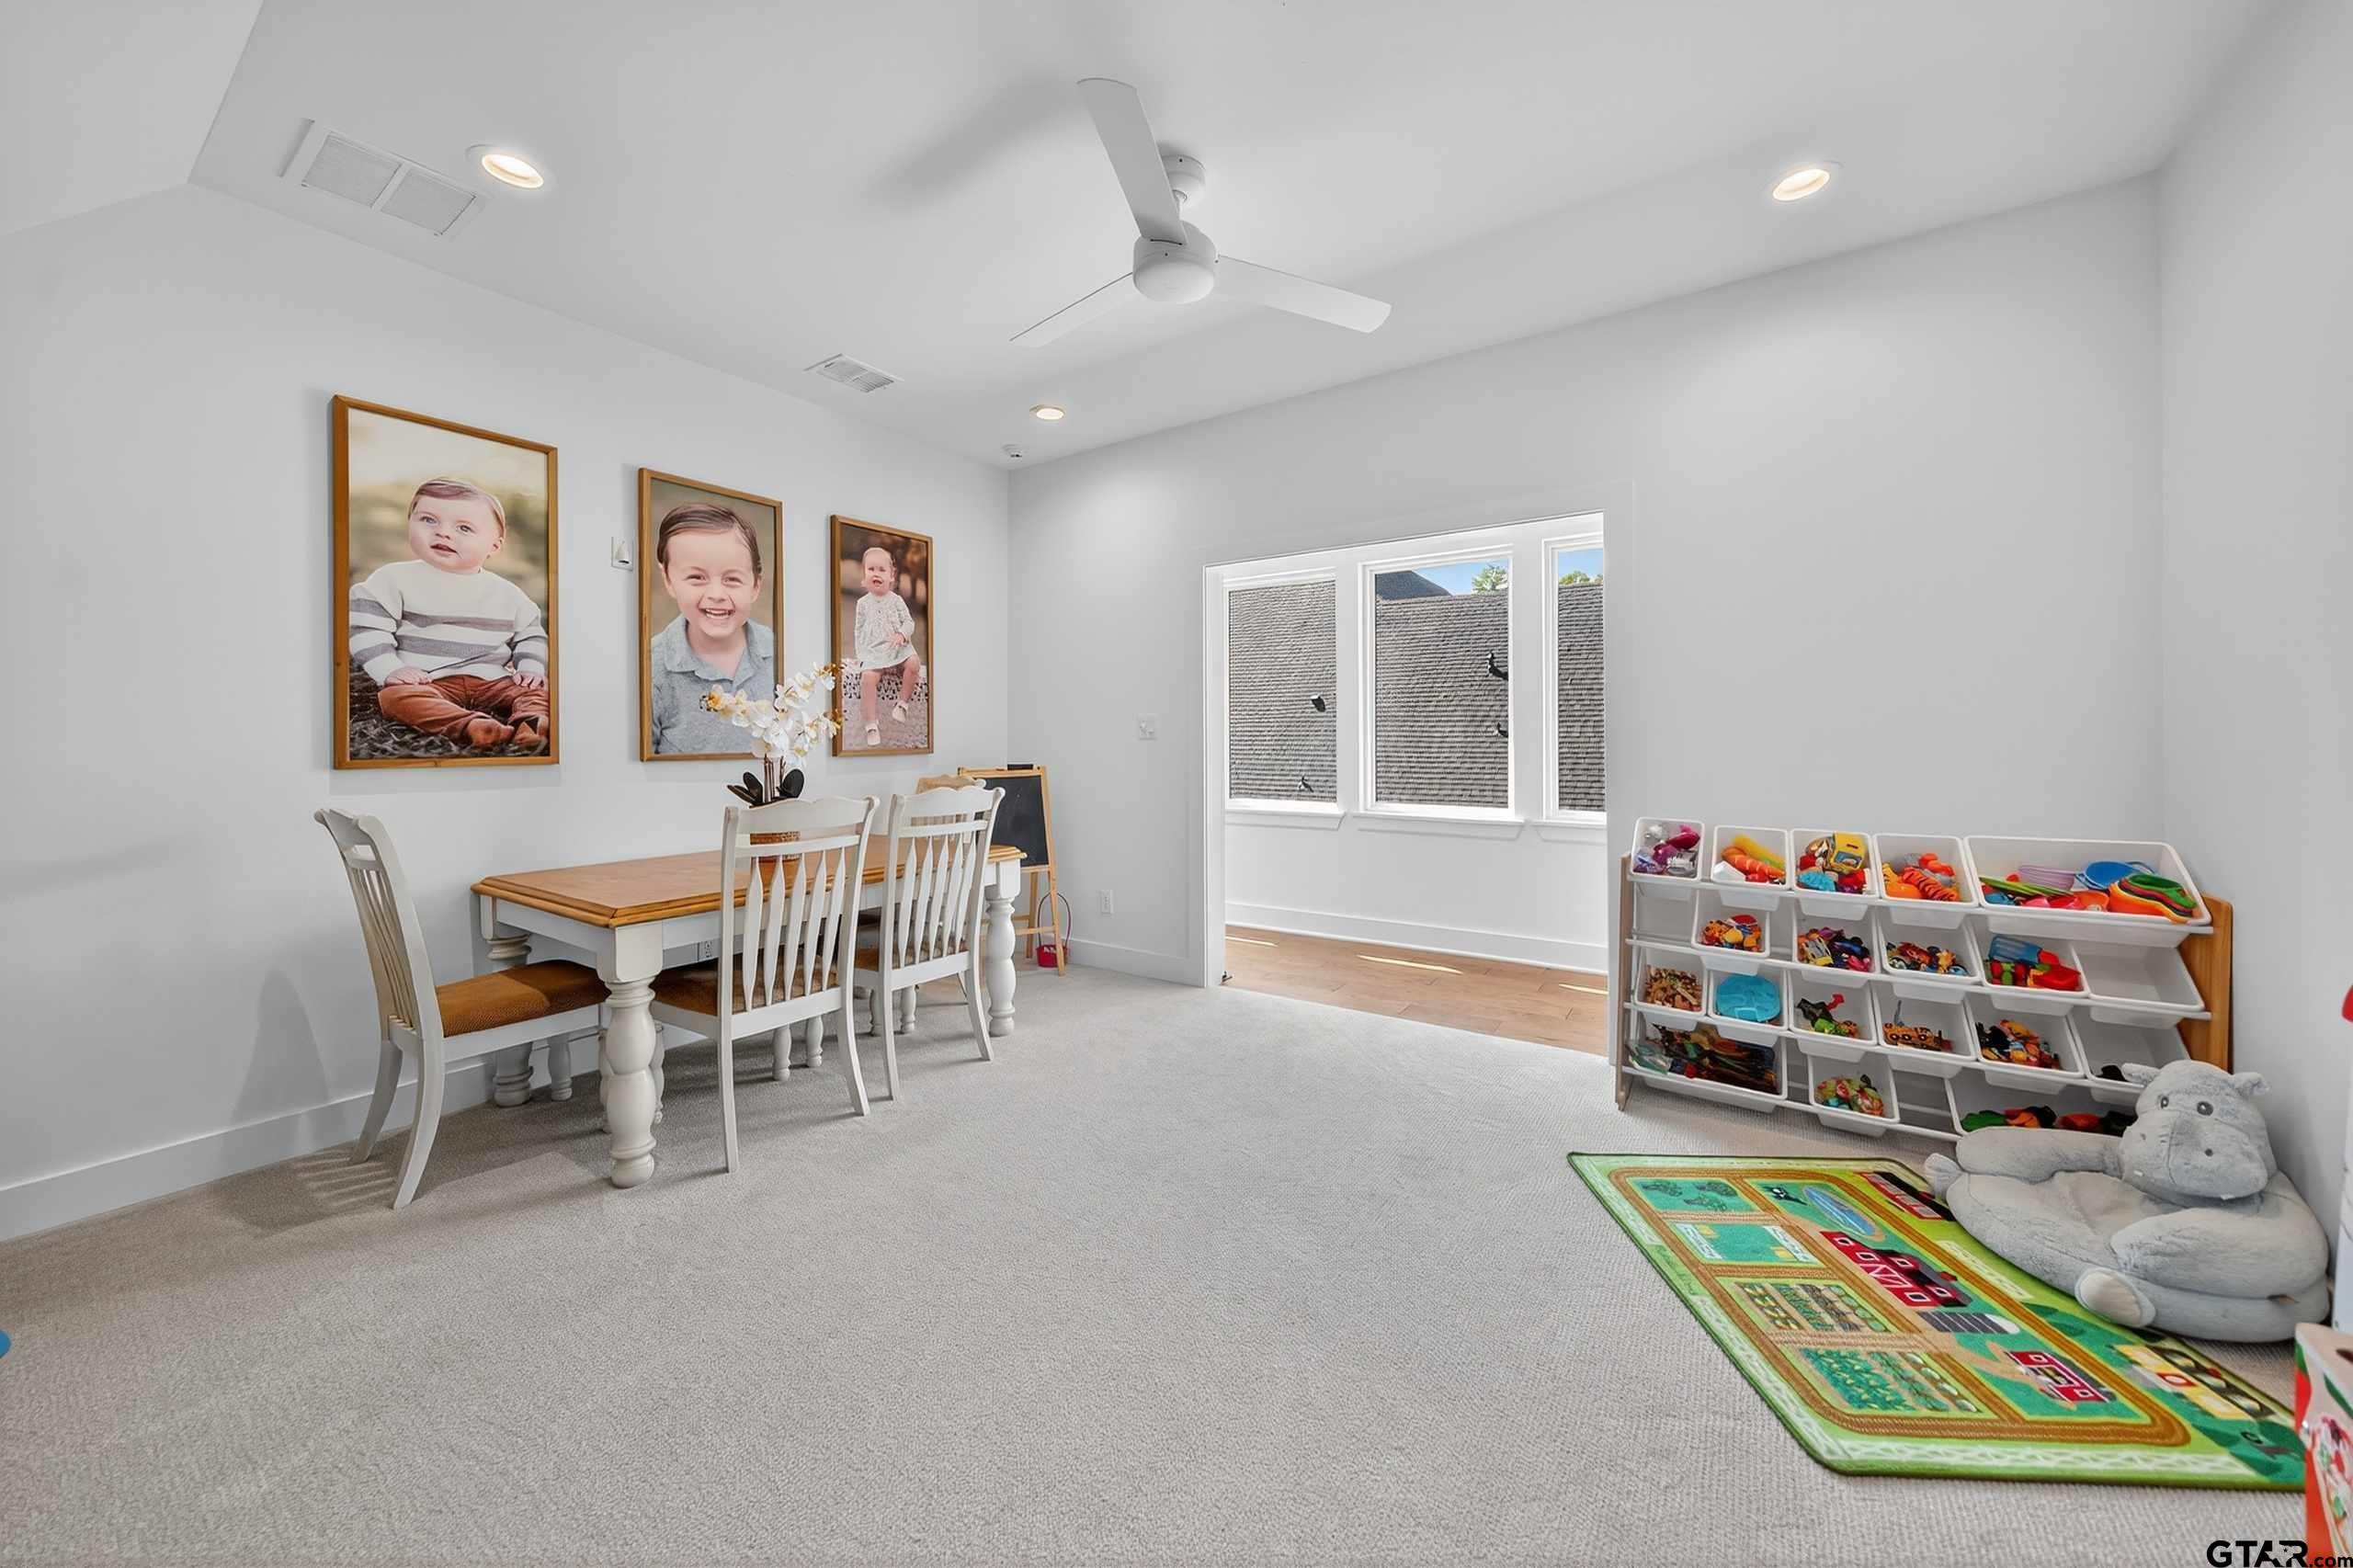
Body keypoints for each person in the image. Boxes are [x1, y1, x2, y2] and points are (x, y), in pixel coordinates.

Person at [348, 479, 549, 753]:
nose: (443, 533)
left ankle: (533, 724)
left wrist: (530, 668)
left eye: (464, 528)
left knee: (538, 690)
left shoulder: (508, 593)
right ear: (410, 523)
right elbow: (367, 629)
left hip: (495, 680)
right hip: (429, 680)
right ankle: (473, 726)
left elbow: (531, 633)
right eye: (429, 520)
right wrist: (390, 669)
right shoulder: (392, 579)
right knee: (394, 697)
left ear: (494, 546)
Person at [645, 501, 773, 755]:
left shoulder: (778, 652)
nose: (716, 594)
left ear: (756, 585)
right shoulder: (652, 669)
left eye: (732, 579)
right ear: (668, 580)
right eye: (696, 577)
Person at [847, 542, 923, 748]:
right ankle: (871, 724)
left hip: (898, 649)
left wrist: (901, 634)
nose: (876, 573)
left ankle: (902, 703)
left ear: (892, 576)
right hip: (875, 652)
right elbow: (859, 630)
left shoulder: (896, 600)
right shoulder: (862, 603)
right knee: (868, 678)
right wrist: (861, 655)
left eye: (882, 569)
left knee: (914, 663)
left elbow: (909, 622)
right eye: (871, 569)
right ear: (864, 577)